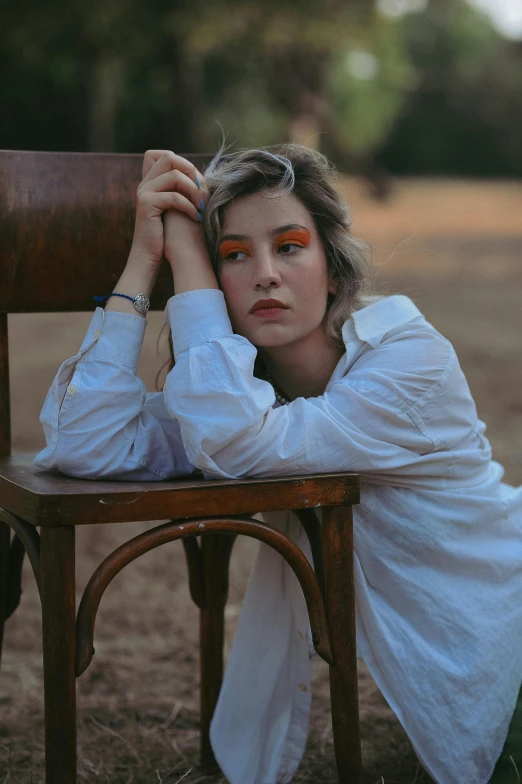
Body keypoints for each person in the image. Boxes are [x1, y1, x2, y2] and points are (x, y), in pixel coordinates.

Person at [34, 145, 522, 784]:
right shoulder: (237, 395)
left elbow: (238, 442)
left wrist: (192, 256)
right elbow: (86, 444)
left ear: (333, 267)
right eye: (233, 256)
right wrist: (146, 257)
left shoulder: (407, 362)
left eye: (290, 246)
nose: (263, 274)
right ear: (213, 284)